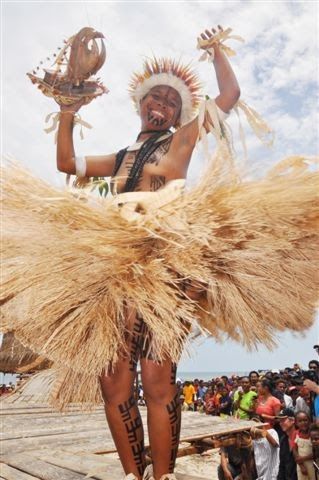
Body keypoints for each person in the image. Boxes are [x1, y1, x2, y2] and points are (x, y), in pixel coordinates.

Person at [55, 25, 240, 480]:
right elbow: (65, 163)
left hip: (165, 272)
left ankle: (163, 476)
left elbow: (230, 93)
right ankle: (133, 475)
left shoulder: (180, 141)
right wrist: (66, 109)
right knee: (113, 384)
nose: (161, 105)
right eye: (154, 98)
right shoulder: (119, 159)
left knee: (158, 382)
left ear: (180, 113)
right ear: (140, 104)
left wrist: (216, 51)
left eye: (171, 102)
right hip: (115, 272)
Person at [293, 411, 315, 480]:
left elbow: (316, 452)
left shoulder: (314, 434)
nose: (303, 423)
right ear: (296, 423)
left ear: (309, 421)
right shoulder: (295, 434)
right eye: (300, 421)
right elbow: (294, 450)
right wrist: (301, 466)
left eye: (305, 420)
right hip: (301, 466)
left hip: (313, 465)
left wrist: (303, 458)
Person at [278, 408, 298, 480]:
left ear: (292, 420)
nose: (281, 423)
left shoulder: (300, 438)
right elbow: (282, 465)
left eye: (283, 420)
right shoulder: (283, 440)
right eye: (280, 421)